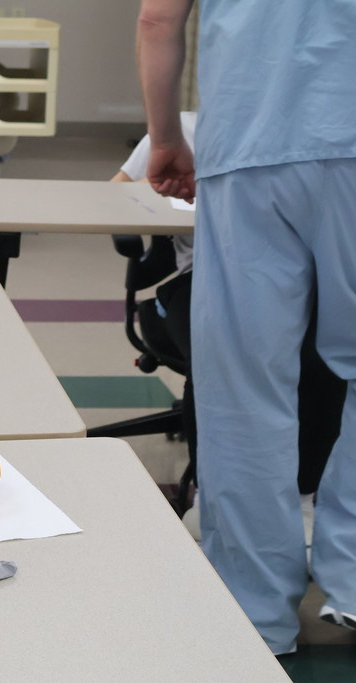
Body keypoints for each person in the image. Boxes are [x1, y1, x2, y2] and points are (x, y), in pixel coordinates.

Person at [137, 0, 356, 655]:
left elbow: (157, 18)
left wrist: (167, 135)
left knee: (244, 383)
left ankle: (254, 607)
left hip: (249, 137)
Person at [111, 115, 345, 540]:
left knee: (323, 357)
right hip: (202, 277)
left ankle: (303, 500)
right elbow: (115, 195)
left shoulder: (307, 135)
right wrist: (166, 193)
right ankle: (210, 497)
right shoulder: (181, 129)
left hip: (289, 279)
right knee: (218, 350)